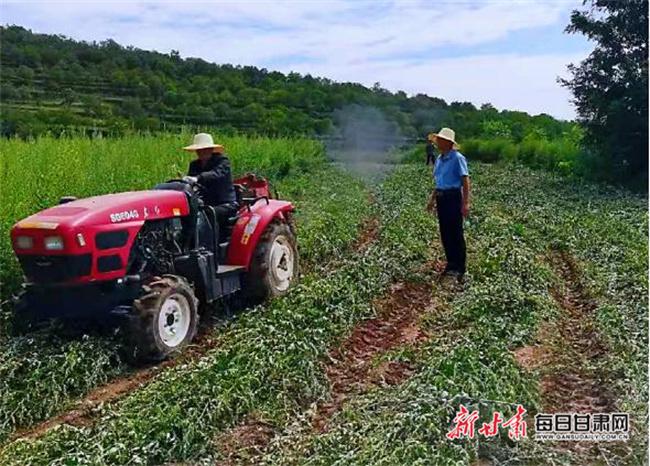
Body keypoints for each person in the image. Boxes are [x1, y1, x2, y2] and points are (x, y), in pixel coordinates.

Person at [426, 127, 470, 279]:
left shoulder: (457, 158)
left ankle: (460, 267)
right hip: (441, 198)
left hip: (453, 198)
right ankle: (451, 263)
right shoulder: (439, 159)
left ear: (448, 142)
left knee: (455, 232)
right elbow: (439, 182)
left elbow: (465, 181)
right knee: (445, 232)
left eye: (440, 139)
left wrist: (465, 203)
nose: (437, 142)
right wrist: (432, 200)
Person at [182, 133, 238, 236]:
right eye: (199, 150)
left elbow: (216, 174)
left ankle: (207, 246)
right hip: (202, 203)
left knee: (205, 215)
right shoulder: (194, 165)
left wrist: (197, 178)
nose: (201, 152)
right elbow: (191, 183)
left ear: (211, 150)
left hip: (224, 204)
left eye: (204, 149)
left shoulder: (222, 161)